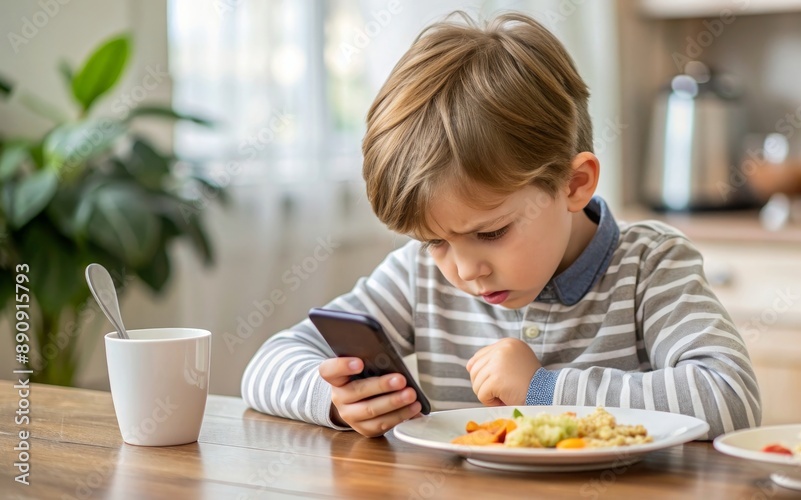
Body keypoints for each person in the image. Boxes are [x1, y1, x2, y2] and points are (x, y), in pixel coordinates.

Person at [241, 12, 760, 439]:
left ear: (574, 184)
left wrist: (542, 389)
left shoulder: (651, 266)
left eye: (490, 233)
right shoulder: (419, 276)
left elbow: (729, 397)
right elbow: (266, 365)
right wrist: (337, 399)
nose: (466, 270)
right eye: (435, 240)